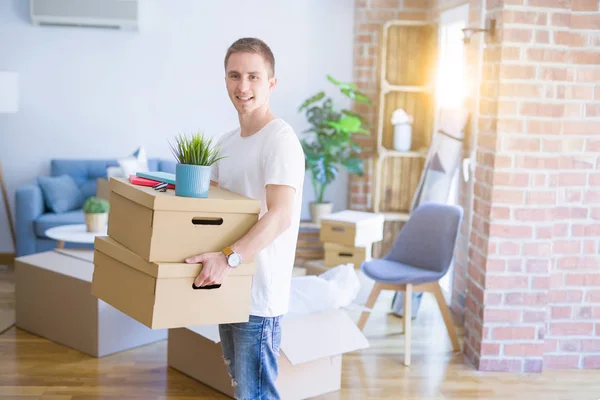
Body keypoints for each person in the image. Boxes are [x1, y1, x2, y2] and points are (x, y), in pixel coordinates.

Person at [184, 37, 305, 400]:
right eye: (234, 76)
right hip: (229, 286)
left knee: (255, 394)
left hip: (259, 291)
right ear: (225, 81)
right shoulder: (225, 143)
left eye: (254, 76)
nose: (243, 86)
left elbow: (280, 215)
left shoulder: (279, 140)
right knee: (243, 389)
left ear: (271, 83)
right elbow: (215, 213)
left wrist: (228, 258)